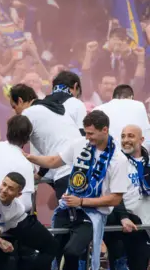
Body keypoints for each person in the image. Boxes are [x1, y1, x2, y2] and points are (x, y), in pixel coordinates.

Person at [24, 110, 128, 270]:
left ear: (105, 130)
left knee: (72, 252)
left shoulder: (118, 159)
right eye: (86, 133)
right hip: (67, 208)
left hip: (92, 214)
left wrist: (82, 201)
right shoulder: (80, 144)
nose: (87, 137)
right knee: (51, 250)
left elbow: (115, 199)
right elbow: (54, 161)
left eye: (91, 133)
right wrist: (30, 158)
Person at [0, 173, 58, 270]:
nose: (4, 190)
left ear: (18, 194)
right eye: (4, 184)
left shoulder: (18, 209)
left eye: (11, 189)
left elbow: (10, 225)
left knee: (52, 245)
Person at [9, 83, 81, 199]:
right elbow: (55, 146)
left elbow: (16, 145)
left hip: (65, 172)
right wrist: (40, 174)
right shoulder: (51, 109)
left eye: (14, 107)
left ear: (21, 101)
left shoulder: (28, 113)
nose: (15, 112)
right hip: (82, 167)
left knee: (69, 216)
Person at [103, 124, 150, 270]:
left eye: (131, 136)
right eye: (123, 136)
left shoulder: (148, 162)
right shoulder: (116, 162)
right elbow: (113, 193)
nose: (126, 140)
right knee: (120, 263)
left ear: (141, 139)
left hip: (145, 223)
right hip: (122, 222)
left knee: (140, 265)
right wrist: (123, 216)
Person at [95, 84, 150, 149]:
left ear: (113, 98)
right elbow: (147, 140)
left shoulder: (97, 109)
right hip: (134, 154)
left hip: (104, 156)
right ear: (131, 97)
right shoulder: (139, 105)